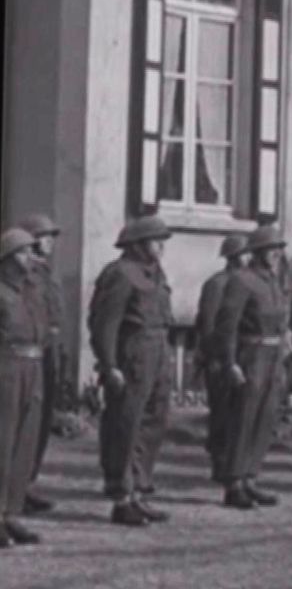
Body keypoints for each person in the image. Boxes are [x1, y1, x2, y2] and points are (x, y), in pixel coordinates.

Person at [88, 215, 175, 526]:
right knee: (125, 423)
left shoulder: (154, 273)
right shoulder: (121, 275)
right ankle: (121, 495)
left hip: (158, 349)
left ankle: (139, 489)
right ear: (137, 245)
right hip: (133, 354)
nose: (162, 247)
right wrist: (109, 364)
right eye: (156, 241)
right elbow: (105, 323)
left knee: (154, 421)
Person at [213, 226, 289, 510]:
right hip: (251, 354)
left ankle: (250, 477)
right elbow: (227, 325)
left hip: (272, 355)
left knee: (265, 418)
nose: (276, 254)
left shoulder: (273, 282)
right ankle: (233, 483)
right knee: (243, 418)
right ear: (257, 252)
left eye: (279, 249)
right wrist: (230, 362)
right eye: (271, 249)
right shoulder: (242, 281)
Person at [0, 228, 48, 546]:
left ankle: (12, 513)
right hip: (6, 366)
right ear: (5, 259)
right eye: (22, 252)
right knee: (3, 441)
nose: (29, 257)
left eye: (31, 251)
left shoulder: (32, 290)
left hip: (33, 366)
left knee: (25, 443)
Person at [16, 214, 64, 516]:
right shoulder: (23, 273)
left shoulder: (46, 273)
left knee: (42, 422)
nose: (50, 243)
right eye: (45, 236)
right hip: (30, 351)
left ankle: (26, 483)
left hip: (49, 351)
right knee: (24, 423)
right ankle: (15, 487)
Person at [194, 233, 249, 484]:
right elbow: (208, 323)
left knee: (240, 412)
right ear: (235, 257)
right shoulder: (217, 284)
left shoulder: (248, 283)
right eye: (246, 254)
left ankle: (235, 463)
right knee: (222, 413)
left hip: (243, 355)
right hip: (220, 357)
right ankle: (220, 461)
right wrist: (213, 356)